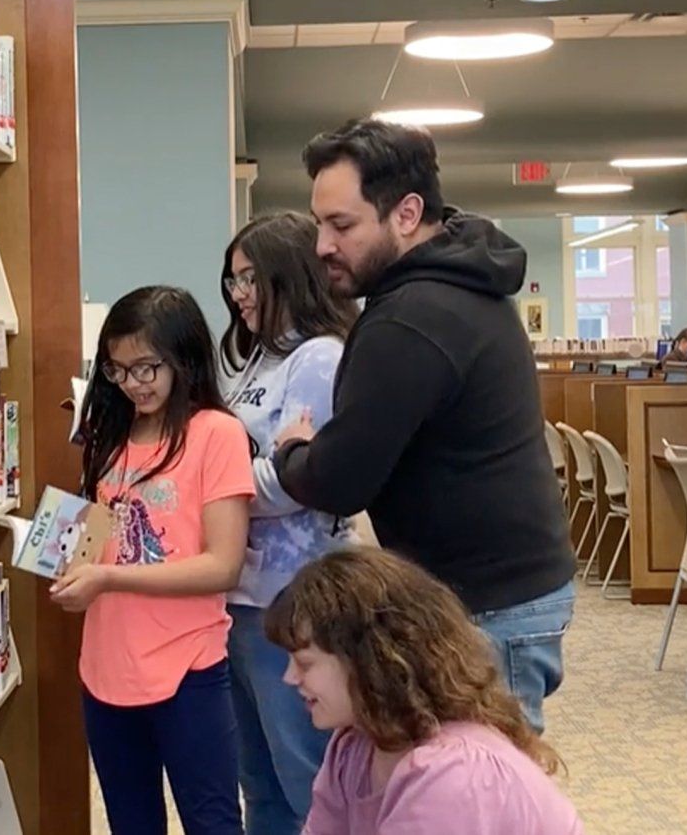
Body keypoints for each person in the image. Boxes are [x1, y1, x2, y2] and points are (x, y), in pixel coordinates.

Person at [271, 121, 577, 731]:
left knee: (486, 800)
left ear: (406, 213)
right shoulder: (461, 280)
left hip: (488, 602)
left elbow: (340, 481)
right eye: (320, 225)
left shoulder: (411, 317)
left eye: (342, 225)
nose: (323, 246)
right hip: (502, 585)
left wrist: (293, 453)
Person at [54, 285, 254, 835]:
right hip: (104, 667)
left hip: (187, 666)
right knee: (130, 823)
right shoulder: (110, 435)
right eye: (118, 371)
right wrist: (72, 568)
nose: (134, 384)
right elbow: (97, 538)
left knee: (211, 821)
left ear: (184, 359)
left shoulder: (217, 434)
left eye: (147, 368)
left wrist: (108, 577)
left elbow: (223, 566)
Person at [265, 547, 583, 835]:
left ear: (367, 661)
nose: (289, 678)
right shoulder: (353, 746)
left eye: (305, 663)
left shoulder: (452, 773)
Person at [218, 212, 360, 835]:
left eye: (251, 278)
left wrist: (219, 490)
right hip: (242, 596)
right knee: (259, 781)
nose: (239, 294)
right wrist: (254, 470)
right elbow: (264, 468)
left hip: (296, 601)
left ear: (288, 276)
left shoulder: (318, 359)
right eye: (233, 280)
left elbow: (299, 481)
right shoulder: (258, 362)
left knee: (308, 778)